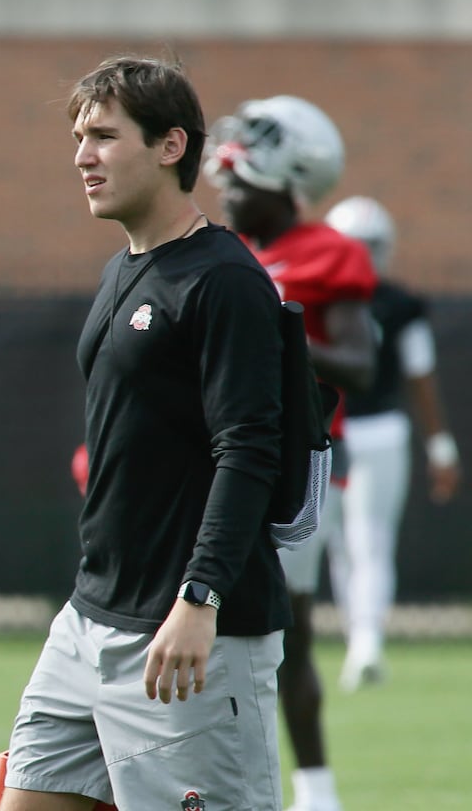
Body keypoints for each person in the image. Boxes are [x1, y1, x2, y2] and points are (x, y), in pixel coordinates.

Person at [0, 58, 290, 810]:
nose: (80, 156)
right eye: (77, 137)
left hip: (189, 634)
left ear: (169, 146)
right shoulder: (121, 270)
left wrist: (200, 598)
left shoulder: (223, 279)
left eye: (101, 135)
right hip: (88, 619)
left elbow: (248, 450)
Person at [202, 95, 376, 811]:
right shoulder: (219, 251)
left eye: (245, 184)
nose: (230, 194)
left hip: (292, 473)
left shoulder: (326, 253)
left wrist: (271, 341)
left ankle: (314, 791)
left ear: (293, 184)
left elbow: (361, 363)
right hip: (213, 463)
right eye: (227, 183)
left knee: (284, 633)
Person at [322, 195, 461, 691]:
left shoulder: (396, 304)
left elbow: (420, 375)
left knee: (361, 540)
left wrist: (441, 446)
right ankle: (363, 642)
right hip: (349, 431)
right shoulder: (340, 298)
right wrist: (440, 446)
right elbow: (421, 376)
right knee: (353, 542)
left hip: (366, 428)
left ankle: (365, 643)